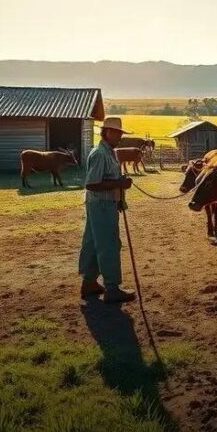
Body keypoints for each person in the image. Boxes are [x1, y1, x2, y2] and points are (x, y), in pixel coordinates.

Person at [79, 117, 136, 303]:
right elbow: (92, 184)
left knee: (94, 242)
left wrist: (119, 193)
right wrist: (119, 183)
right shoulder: (100, 154)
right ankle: (112, 288)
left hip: (105, 203)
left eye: (120, 133)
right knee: (109, 244)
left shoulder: (110, 152)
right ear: (107, 132)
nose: (119, 137)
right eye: (117, 133)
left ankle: (89, 283)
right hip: (101, 204)